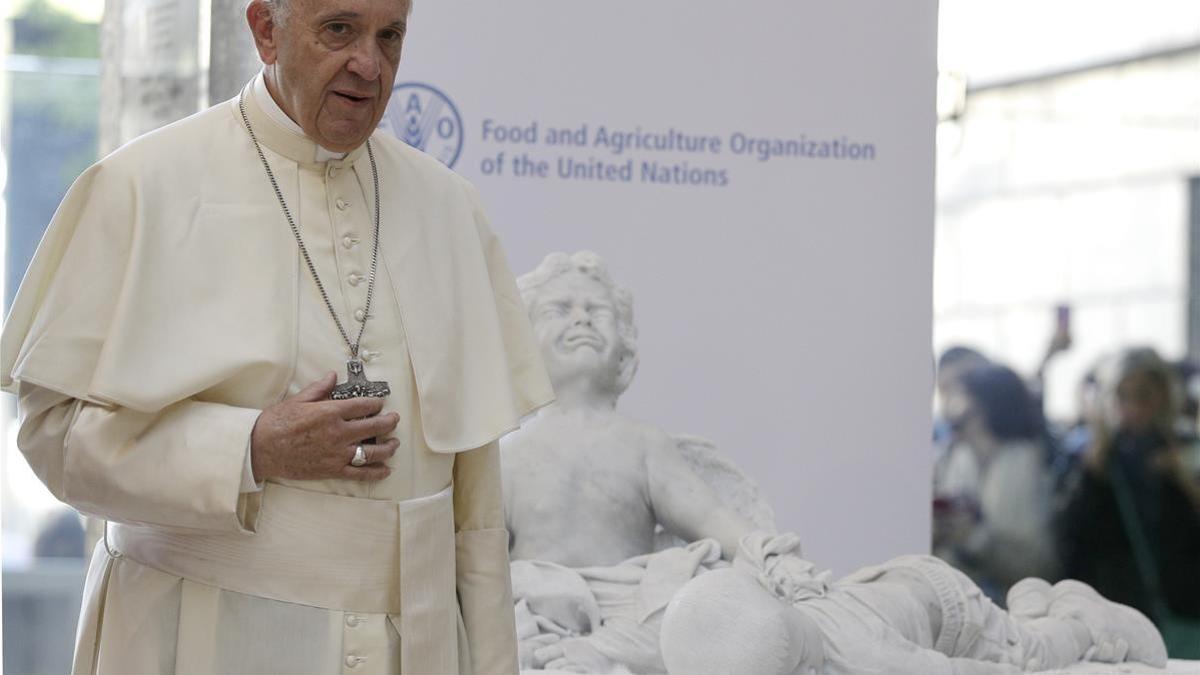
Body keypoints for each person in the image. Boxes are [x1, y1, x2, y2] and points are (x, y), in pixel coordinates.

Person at [1, 0, 553, 673]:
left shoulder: (448, 207)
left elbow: (477, 515)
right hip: (203, 633)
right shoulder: (142, 185)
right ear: (266, 29)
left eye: (391, 36)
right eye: (340, 30)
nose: (368, 65)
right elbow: (54, 436)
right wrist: (250, 448)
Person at [501, 251, 759, 672]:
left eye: (596, 310)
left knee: (706, 600)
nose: (581, 318)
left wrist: (764, 552)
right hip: (537, 617)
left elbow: (712, 519)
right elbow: (474, 560)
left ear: (624, 348)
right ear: (522, 344)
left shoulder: (643, 444)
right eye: (560, 309)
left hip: (632, 618)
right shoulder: (507, 454)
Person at [660, 534, 1168, 675]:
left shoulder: (865, 656)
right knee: (1013, 625)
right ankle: (1031, 600)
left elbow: (948, 671)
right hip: (897, 579)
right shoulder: (779, 613)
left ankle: (1082, 620)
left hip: (952, 614)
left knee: (1024, 652)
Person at [1059, 347, 1200, 622]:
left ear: (1164, 395)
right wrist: (1094, 473)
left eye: (1144, 395)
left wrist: (1183, 479)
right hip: (1118, 602)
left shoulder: (1187, 450)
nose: (1133, 408)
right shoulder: (1096, 457)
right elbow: (1076, 537)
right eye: (1122, 396)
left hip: (1182, 601)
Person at [934, 364, 1060, 602]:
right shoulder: (958, 457)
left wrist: (973, 539)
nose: (949, 407)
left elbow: (1036, 566)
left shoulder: (1023, 462)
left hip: (1014, 606)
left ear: (983, 407)